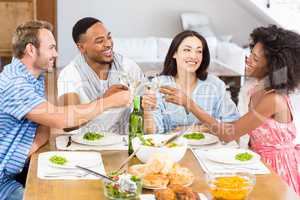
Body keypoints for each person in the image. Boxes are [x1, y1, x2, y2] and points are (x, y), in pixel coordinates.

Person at [0, 20, 131, 200]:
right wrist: (109, 102)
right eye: (51, 48)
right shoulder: (16, 84)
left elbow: (46, 127)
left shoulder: (32, 78)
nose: (56, 53)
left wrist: (19, 157)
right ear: (31, 50)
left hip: (13, 171)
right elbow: (61, 119)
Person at [175, 25, 300, 194]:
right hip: (258, 162)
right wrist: (198, 127)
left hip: (277, 169)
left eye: (255, 59)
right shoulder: (258, 90)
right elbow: (242, 128)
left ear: (273, 67)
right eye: (251, 55)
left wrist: (190, 104)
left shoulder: (273, 99)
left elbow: (230, 133)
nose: (248, 60)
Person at [142, 30, 240, 134]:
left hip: (209, 149)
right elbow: (151, 134)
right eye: (187, 50)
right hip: (171, 149)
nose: (194, 56)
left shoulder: (215, 85)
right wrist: (147, 111)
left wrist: (195, 128)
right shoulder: (158, 85)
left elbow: (233, 126)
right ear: (174, 53)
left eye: (199, 51)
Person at [57, 17, 144, 133]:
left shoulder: (128, 67)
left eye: (109, 37)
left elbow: (146, 102)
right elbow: (67, 123)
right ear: (81, 47)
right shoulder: (70, 74)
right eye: (99, 41)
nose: (108, 44)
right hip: (85, 144)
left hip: (122, 142)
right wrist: (106, 99)